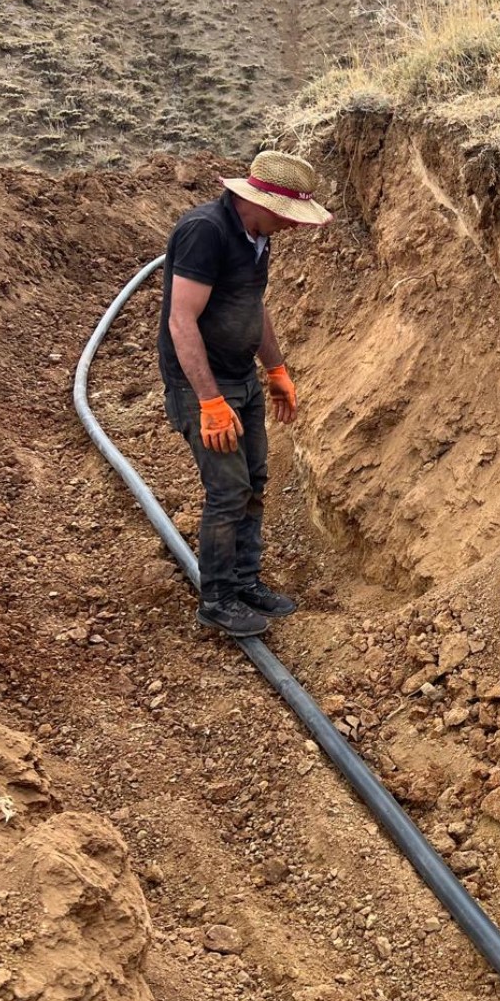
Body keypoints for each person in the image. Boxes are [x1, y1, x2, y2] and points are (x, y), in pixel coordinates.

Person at [158, 150, 332, 637]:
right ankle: (217, 598)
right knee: (228, 490)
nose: (295, 227)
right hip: (203, 386)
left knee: (254, 482)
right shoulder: (205, 232)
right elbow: (181, 319)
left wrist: (275, 368)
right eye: (290, 216)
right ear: (261, 202)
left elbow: (252, 306)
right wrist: (209, 401)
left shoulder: (258, 237)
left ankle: (244, 580)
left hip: (243, 377)